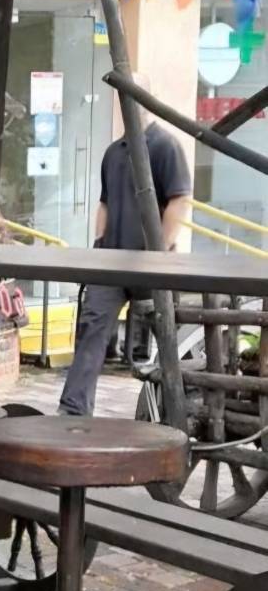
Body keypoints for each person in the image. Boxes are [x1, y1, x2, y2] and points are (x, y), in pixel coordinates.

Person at [59, 74, 191, 416]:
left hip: (152, 263)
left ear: (148, 100)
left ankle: (179, 408)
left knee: (168, 337)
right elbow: (104, 203)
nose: (128, 104)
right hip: (112, 263)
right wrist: (99, 245)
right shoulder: (113, 152)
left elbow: (179, 201)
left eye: (135, 96)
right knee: (91, 328)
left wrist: (160, 251)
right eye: (124, 98)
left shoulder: (166, 146)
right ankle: (73, 410)